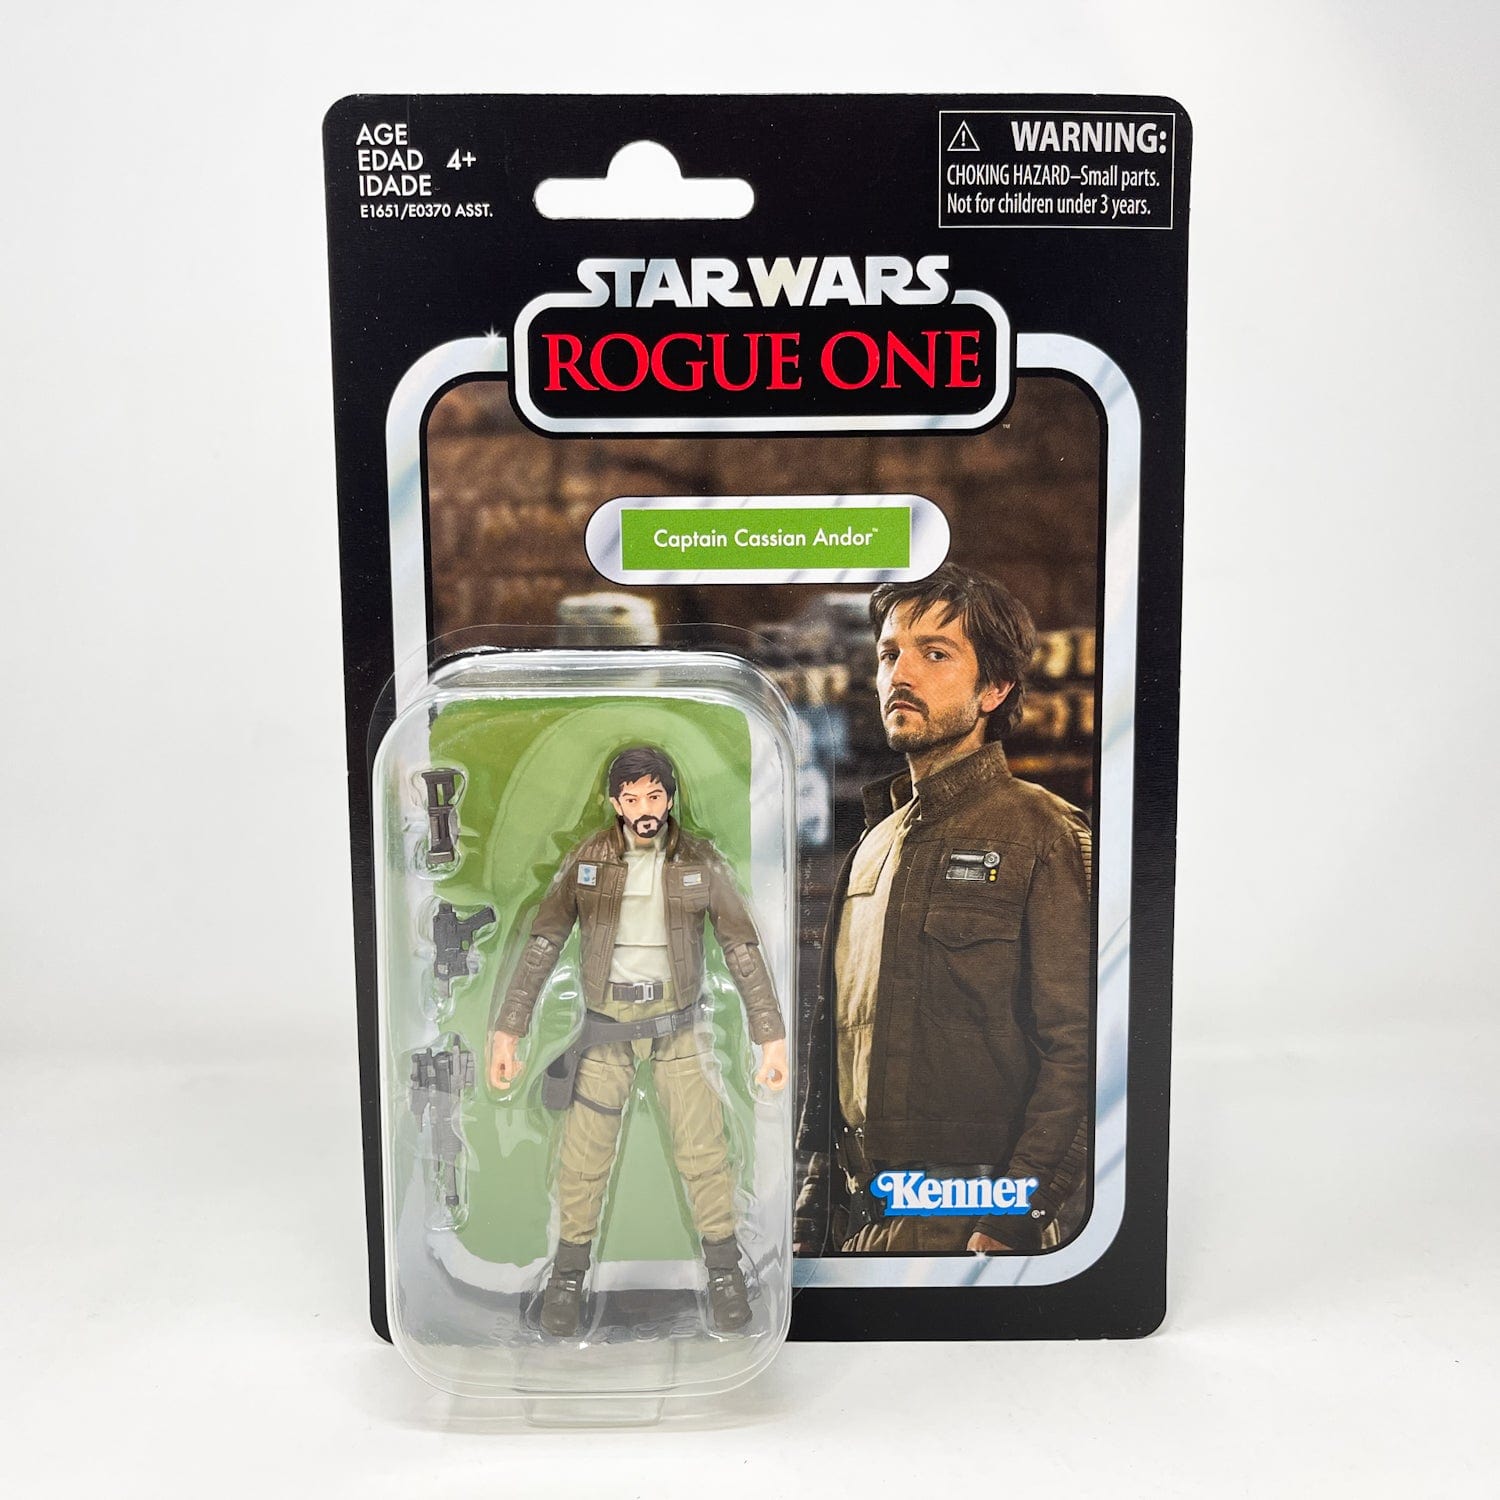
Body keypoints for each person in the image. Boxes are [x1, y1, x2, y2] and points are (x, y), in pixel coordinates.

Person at [794, 565, 1092, 1255]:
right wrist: (811, 1218)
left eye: (935, 654)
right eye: (889, 655)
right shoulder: (872, 846)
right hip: (856, 1232)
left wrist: (1011, 1218)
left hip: (968, 1228)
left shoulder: (1042, 835)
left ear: (995, 688)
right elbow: (833, 1054)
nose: (901, 674)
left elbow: (1081, 1051)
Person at [489, 746, 788, 1334]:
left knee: (705, 1156)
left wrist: (769, 1034)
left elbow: (741, 948)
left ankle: (725, 1275)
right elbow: (544, 940)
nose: (644, 808)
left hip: (679, 1025)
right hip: (606, 1027)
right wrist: (510, 1027)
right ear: (614, 803)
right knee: (582, 1160)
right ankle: (567, 1279)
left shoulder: (700, 862)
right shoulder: (588, 860)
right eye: (632, 798)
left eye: (654, 796)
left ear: (670, 798)